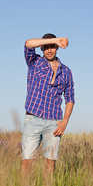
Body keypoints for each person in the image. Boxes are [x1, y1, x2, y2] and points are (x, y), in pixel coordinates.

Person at [22, 33, 75, 175]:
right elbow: (28, 43)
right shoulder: (34, 62)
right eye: (46, 47)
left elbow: (70, 98)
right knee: (27, 161)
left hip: (54, 122)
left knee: (50, 162)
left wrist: (64, 122)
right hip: (33, 118)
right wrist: (55, 40)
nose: (49, 50)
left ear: (57, 48)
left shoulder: (66, 72)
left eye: (52, 47)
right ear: (42, 48)